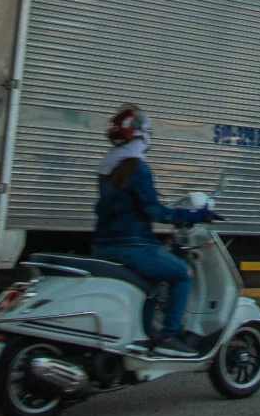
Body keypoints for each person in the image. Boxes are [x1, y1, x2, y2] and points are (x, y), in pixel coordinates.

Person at [92, 105, 216, 354]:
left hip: (103, 244)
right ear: (141, 135)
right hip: (132, 245)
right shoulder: (137, 168)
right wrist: (191, 215)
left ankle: (145, 332)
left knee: (152, 281)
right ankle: (169, 338)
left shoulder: (108, 168)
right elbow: (154, 211)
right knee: (182, 273)